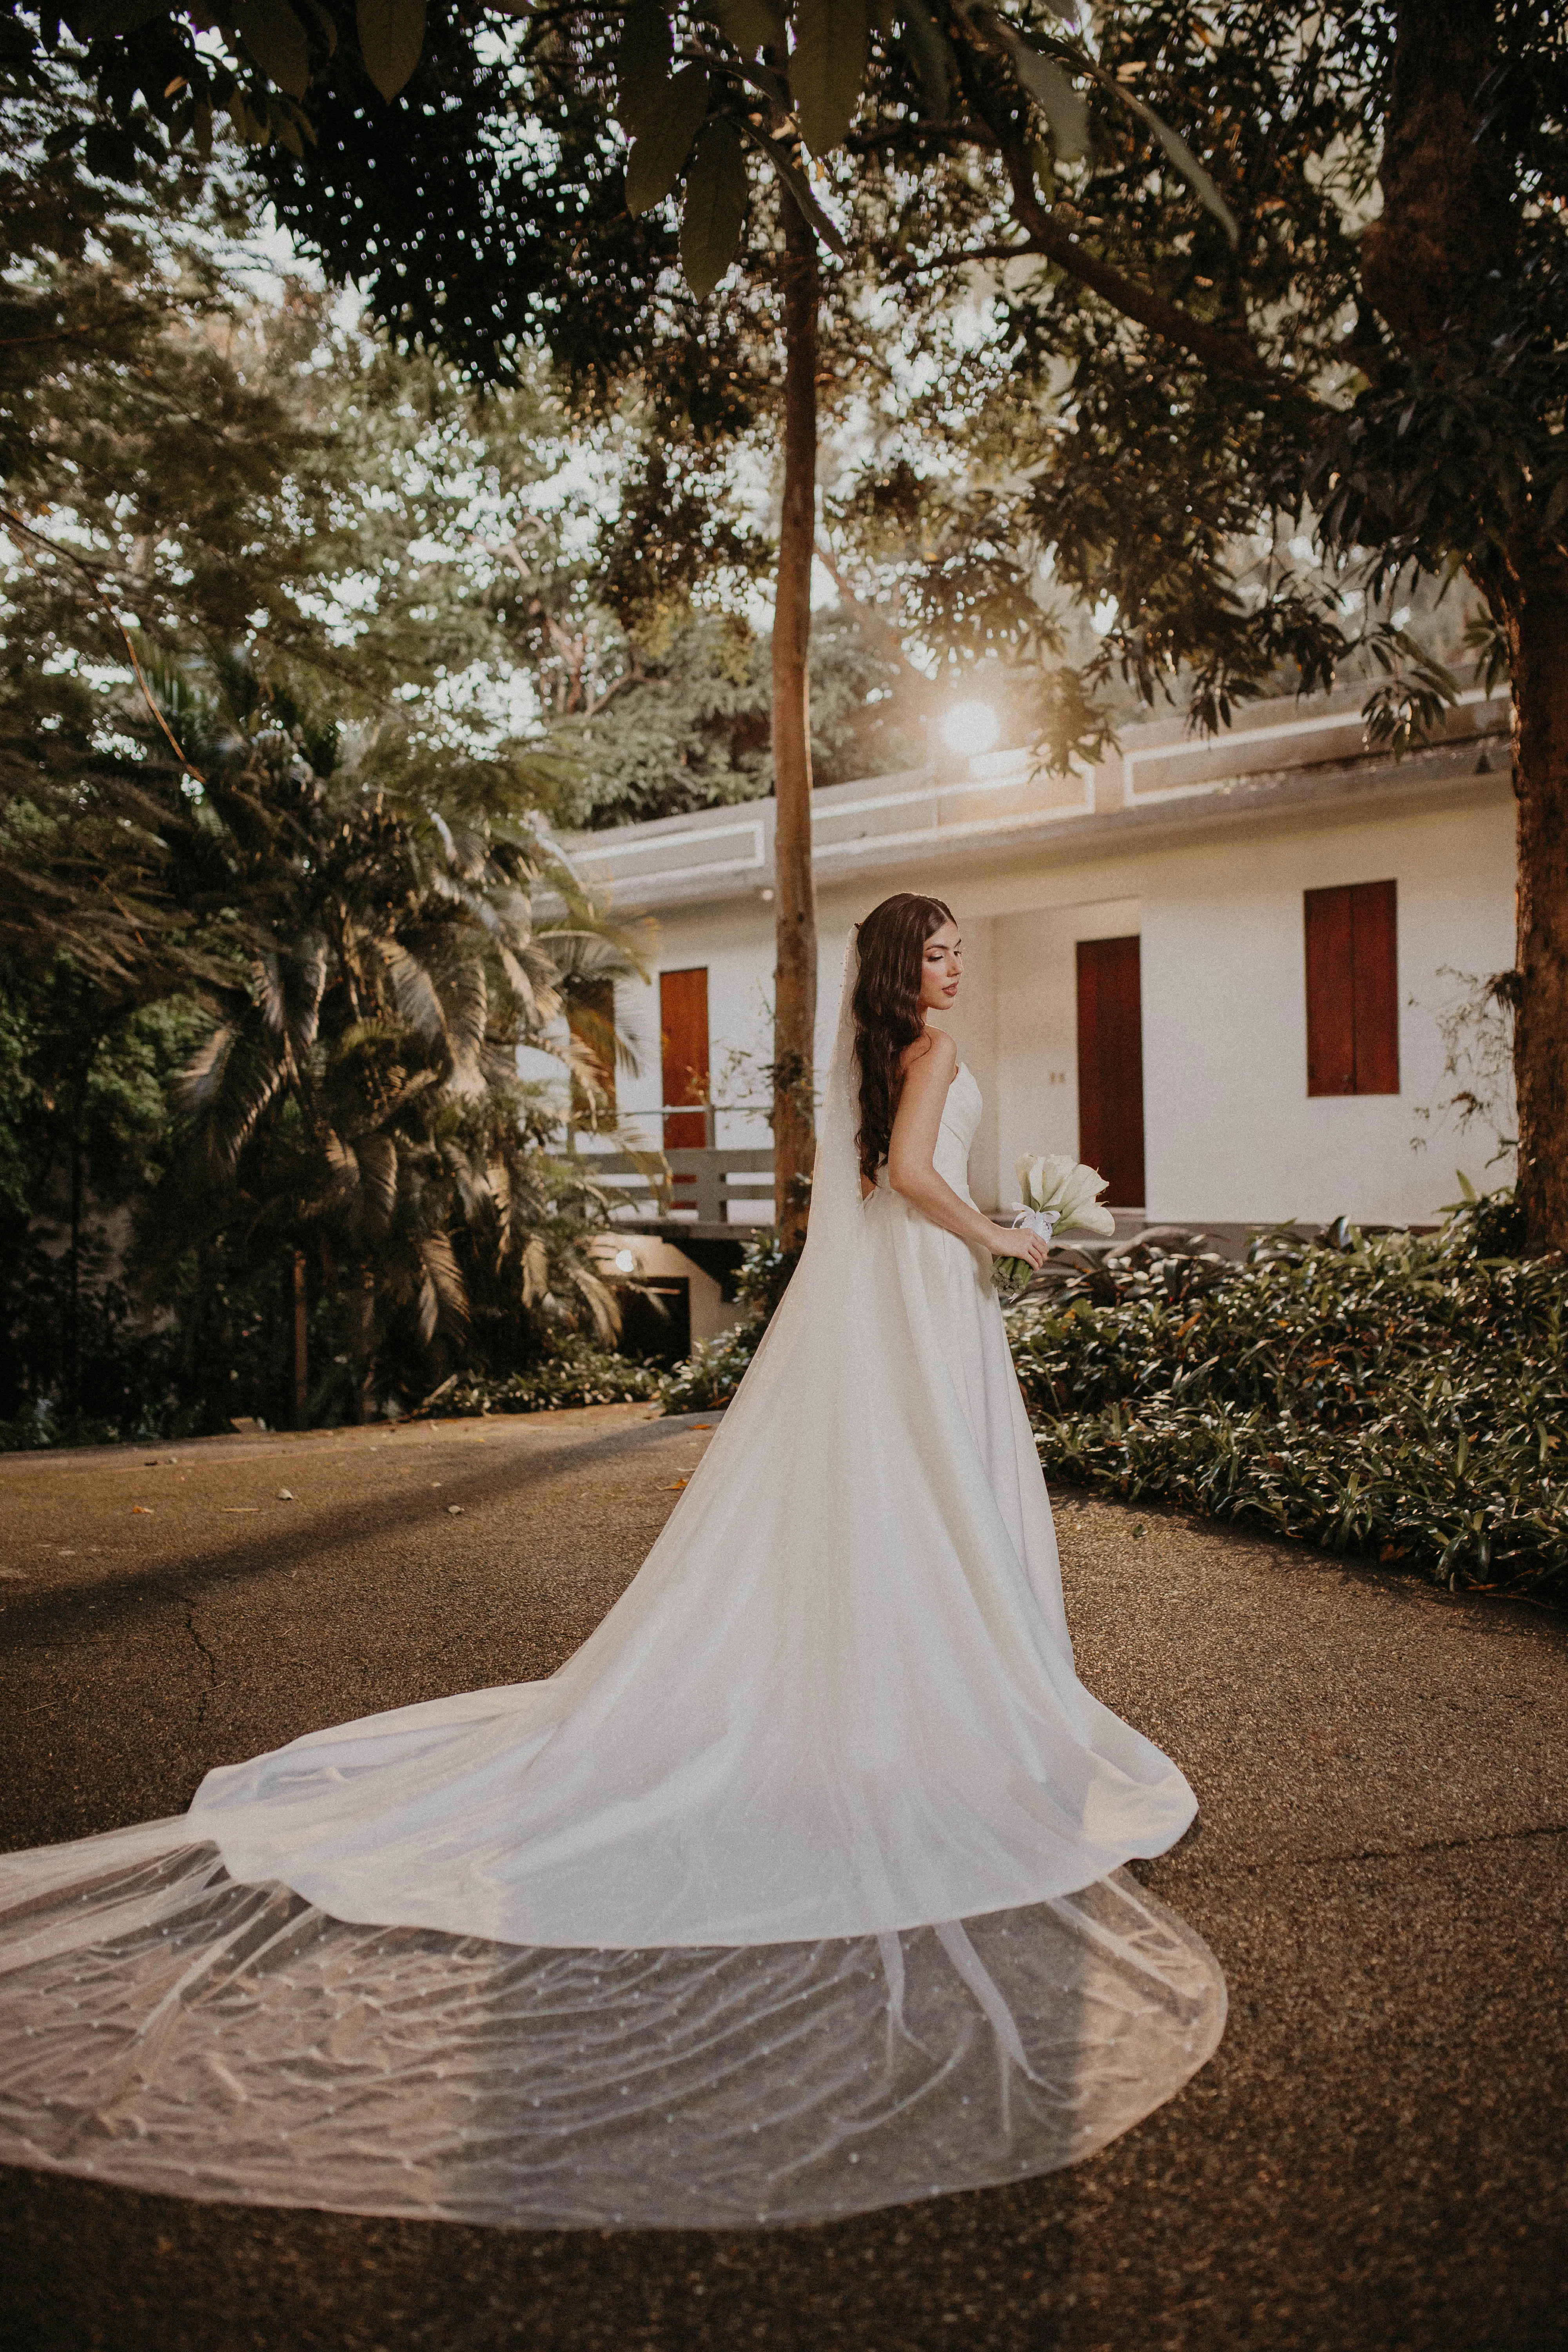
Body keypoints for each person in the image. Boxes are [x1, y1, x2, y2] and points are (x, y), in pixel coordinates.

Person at [0, 893, 1224, 2231]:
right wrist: (1002, 1234)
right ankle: (947, 1716)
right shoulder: (924, 1057)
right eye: (936, 955)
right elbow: (911, 1182)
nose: (955, 970)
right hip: (922, 1294)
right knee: (938, 1504)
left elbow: (867, 1179)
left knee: (890, 1505)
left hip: (882, 1300)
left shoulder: (871, 1057)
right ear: (899, 969)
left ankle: (893, 1703)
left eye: (959, 953)